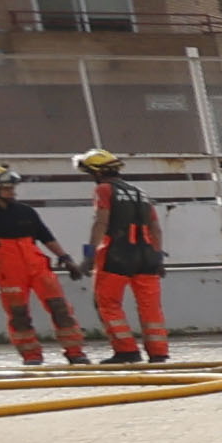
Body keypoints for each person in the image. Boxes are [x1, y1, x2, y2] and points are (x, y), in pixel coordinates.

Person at [0, 164, 88, 366]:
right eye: (7, 188)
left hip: (36, 263)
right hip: (9, 268)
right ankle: (31, 356)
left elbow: (46, 237)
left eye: (12, 188)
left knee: (59, 307)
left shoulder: (25, 212)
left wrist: (66, 258)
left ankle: (75, 352)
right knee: (18, 314)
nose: (12, 192)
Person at [76, 145, 173, 363]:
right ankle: (158, 352)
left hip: (117, 255)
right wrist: (158, 257)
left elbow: (101, 222)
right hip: (147, 255)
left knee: (108, 304)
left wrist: (89, 254)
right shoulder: (141, 193)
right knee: (150, 306)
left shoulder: (104, 190)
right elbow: (155, 228)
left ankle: (126, 350)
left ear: (98, 172)